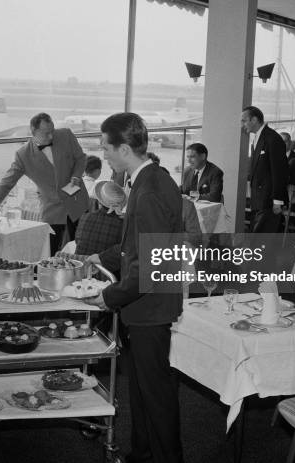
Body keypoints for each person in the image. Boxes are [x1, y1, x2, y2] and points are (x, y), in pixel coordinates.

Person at [85, 113, 183, 463]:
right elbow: (135, 247)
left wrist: (109, 296)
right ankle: (142, 453)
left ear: (124, 148)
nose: (104, 154)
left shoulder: (149, 191)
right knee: (141, 391)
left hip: (150, 308)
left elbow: (150, 266)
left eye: (106, 148)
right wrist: (97, 255)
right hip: (146, 305)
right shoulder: (150, 180)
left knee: (155, 393)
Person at [0, 113, 88, 254]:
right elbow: (7, 183)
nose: (51, 136)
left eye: (52, 130)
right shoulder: (23, 155)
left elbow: (81, 158)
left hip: (77, 200)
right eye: (46, 133)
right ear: (33, 132)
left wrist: (76, 176)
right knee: (50, 251)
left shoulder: (66, 135)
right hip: (52, 208)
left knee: (81, 248)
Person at [241, 106, 289, 233]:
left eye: (244, 121)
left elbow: (279, 172)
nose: (242, 125)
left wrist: (278, 201)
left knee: (262, 237)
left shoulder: (273, 139)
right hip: (258, 197)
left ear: (254, 120)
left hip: (268, 199)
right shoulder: (258, 137)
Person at [74, 180, 125, 256]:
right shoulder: (123, 224)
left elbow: (77, 241)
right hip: (105, 267)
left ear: (99, 201)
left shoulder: (85, 216)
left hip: (81, 263)